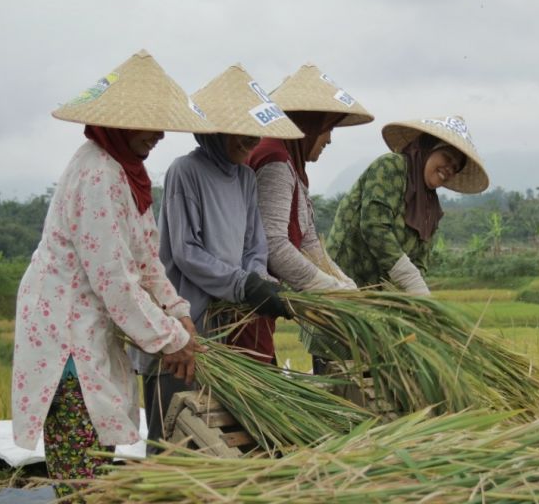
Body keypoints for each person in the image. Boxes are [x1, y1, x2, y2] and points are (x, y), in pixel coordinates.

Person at [11, 50, 214, 499]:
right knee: (83, 473)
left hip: (89, 326)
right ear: (120, 123)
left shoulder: (129, 173)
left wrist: (178, 313)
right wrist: (173, 341)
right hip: (66, 334)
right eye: (152, 123)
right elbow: (117, 284)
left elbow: (145, 259)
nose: (161, 134)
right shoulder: (98, 175)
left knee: (97, 459)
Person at [130, 65, 303, 444]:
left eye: (254, 131)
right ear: (215, 130)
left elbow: (254, 244)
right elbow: (186, 252)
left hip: (225, 329)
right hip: (183, 326)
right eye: (241, 132)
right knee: (171, 430)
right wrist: (242, 285)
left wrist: (255, 280)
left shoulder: (244, 178)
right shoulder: (185, 172)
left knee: (210, 432)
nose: (251, 141)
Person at [246, 64, 373, 372]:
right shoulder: (276, 159)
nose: (328, 139)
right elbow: (274, 244)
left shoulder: (291, 162)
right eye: (327, 127)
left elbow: (309, 240)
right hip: (248, 298)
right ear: (309, 124)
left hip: (260, 299)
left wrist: (344, 285)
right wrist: (326, 288)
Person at [327, 115, 489, 296]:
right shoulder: (391, 166)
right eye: (447, 156)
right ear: (428, 148)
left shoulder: (431, 208)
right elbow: (374, 227)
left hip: (378, 295)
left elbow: (421, 259)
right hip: (344, 282)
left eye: (456, 167)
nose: (449, 168)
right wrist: (410, 279)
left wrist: (414, 295)